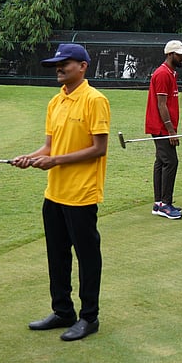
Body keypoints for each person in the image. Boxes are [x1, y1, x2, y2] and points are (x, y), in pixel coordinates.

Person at [13, 43, 110, 342]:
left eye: (64, 63)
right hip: (54, 192)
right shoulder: (55, 102)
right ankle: (63, 311)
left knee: (87, 256)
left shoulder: (95, 100)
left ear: (82, 66)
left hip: (81, 194)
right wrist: (30, 157)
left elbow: (99, 148)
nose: (58, 68)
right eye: (56, 64)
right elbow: (49, 146)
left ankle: (89, 317)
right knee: (56, 255)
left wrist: (53, 160)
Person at [145, 40, 182, 219]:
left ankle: (159, 203)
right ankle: (165, 204)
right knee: (171, 162)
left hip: (162, 126)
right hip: (161, 126)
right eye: (180, 55)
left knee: (162, 162)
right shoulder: (163, 73)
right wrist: (171, 131)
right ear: (171, 54)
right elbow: (161, 104)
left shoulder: (171, 73)